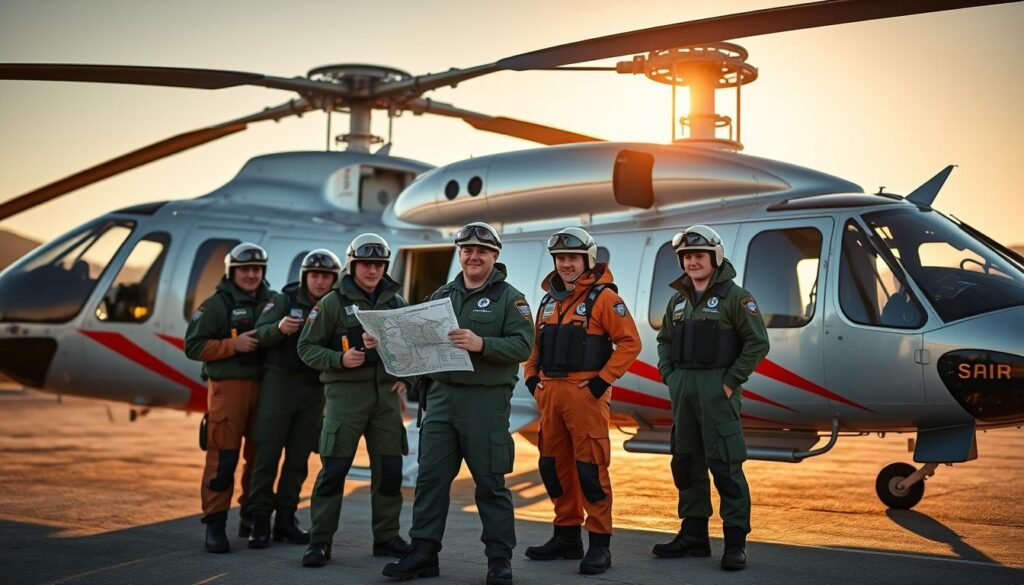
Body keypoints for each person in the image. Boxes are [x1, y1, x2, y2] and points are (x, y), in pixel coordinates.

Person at [383, 222, 533, 585]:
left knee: (490, 484)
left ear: (494, 256)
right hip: (441, 401)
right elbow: (422, 340)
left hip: (484, 402)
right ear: (460, 254)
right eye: (466, 249)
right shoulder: (442, 294)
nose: (473, 255)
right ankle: (423, 553)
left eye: (481, 250)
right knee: (430, 480)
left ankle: (499, 559)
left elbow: (523, 346)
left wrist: (483, 344)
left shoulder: (510, 299)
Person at [522, 227, 641, 575]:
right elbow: (534, 347)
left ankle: (600, 544)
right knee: (553, 467)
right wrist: (531, 378)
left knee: (590, 470)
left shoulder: (605, 299)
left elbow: (630, 343)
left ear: (586, 260)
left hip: (585, 394)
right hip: (550, 394)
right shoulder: (547, 301)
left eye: (572, 258)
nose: (566, 265)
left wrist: (601, 382)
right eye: (560, 259)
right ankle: (566, 536)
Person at [653, 225, 769, 571]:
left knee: (725, 466)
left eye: (699, 255)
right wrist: (669, 376)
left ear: (715, 258)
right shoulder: (677, 300)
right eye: (687, 256)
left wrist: (731, 381)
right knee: (686, 465)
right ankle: (693, 537)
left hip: (718, 393)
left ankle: (735, 544)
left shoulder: (737, 297)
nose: (692, 262)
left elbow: (757, 343)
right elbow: (664, 342)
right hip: (684, 392)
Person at [297, 234, 414, 566]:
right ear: (354, 265)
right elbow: (306, 348)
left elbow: (410, 350)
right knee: (334, 470)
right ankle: (320, 541)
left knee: (390, 472)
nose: (373, 270)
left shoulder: (396, 304)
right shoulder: (332, 303)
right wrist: (339, 359)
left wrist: (405, 378)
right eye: (366, 264)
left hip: (386, 400)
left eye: (379, 265)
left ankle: (387, 537)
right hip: (346, 398)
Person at [246, 249, 341, 549]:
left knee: (299, 457)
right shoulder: (284, 300)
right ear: (305, 276)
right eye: (315, 275)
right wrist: (278, 328)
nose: (320, 281)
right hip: (279, 383)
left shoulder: (334, 306)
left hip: (314, 388)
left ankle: (286, 518)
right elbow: (258, 335)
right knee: (268, 452)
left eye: (326, 276)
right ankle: (259, 519)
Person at [184, 242, 272, 553]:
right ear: (232, 272)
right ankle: (215, 523)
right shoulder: (216, 305)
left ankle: (251, 516)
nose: (251, 275)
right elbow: (193, 346)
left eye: (256, 269)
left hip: (265, 389)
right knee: (224, 458)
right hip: (229, 390)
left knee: (260, 459)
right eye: (245, 270)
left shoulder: (273, 302)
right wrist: (231, 347)